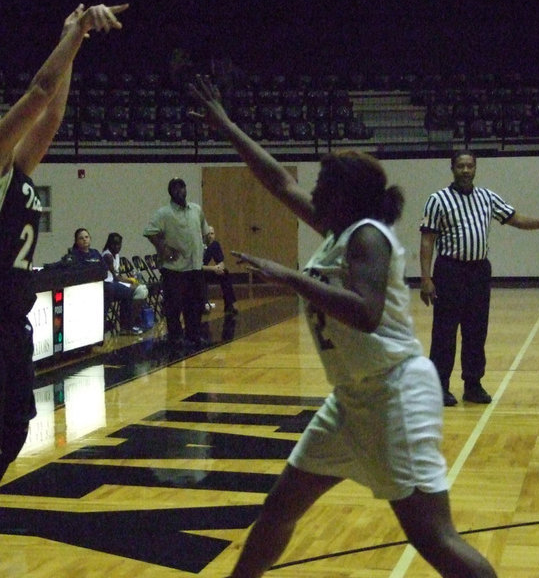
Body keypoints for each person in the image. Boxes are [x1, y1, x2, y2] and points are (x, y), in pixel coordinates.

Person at [189, 75, 496, 578]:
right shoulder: (341, 230)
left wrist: (289, 278)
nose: (311, 191)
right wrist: (226, 126)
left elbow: (365, 311)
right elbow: (277, 180)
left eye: (323, 185)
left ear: (345, 196)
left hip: (394, 394)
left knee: (432, 536)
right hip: (351, 398)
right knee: (280, 507)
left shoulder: (368, 237)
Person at [0, 2, 127, 578]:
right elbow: (40, 89)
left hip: (12, 322)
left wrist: (77, 47)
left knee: (16, 431)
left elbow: (52, 111)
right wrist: (73, 33)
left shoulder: (15, 168)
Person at [420, 150, 539, 407]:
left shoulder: (487, 197)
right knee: (444, 332)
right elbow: (427, 240)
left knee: (476, 330)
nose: (465, 170)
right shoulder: (437, 200)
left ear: (475, 168)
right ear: (452, 168)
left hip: (478, 272)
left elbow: (516, 218)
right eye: (460, 166)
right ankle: (439, 387)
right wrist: (425, 278)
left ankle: (473, 385)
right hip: (449, 271)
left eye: (470, 166)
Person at [144, 177, 210, 346]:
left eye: (182, 187)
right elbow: (150, 232)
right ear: (171, 192)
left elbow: (205, 231)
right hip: (174, 268)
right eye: (175, 188)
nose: (180, 191)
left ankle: (193, 334)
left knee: (196, 303)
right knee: (174, 305)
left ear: (186, 189)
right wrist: (163, 248)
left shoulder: (196, 210)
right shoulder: (164, 213)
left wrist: (206, 243)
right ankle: (176, 336)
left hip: (194, 266)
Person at [101, 232, 147, 335]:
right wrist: (130, 281)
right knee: (130, 292)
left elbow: (118, 276)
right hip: (108, 284)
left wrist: (130, 281)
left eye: (119, 244)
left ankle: (131, 322)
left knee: (142, 289)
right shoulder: (107, 256)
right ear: (110, 244)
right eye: (115, 244)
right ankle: (128, 325)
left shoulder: (116, 255)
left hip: (114, 283)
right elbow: (116, 277)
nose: (117, 247)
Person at [202, 225, 238, 315]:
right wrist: (213, 268)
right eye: (208, 234)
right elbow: (197, 266)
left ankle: (229, 304)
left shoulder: (215, 245)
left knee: (224, 273)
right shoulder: (199, 246)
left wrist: (220, 268)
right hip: (196, 272)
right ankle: (202, 305)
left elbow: (221, 261)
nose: (210, 236)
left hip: (207, 270)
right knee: (200, 276)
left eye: (212, 233)